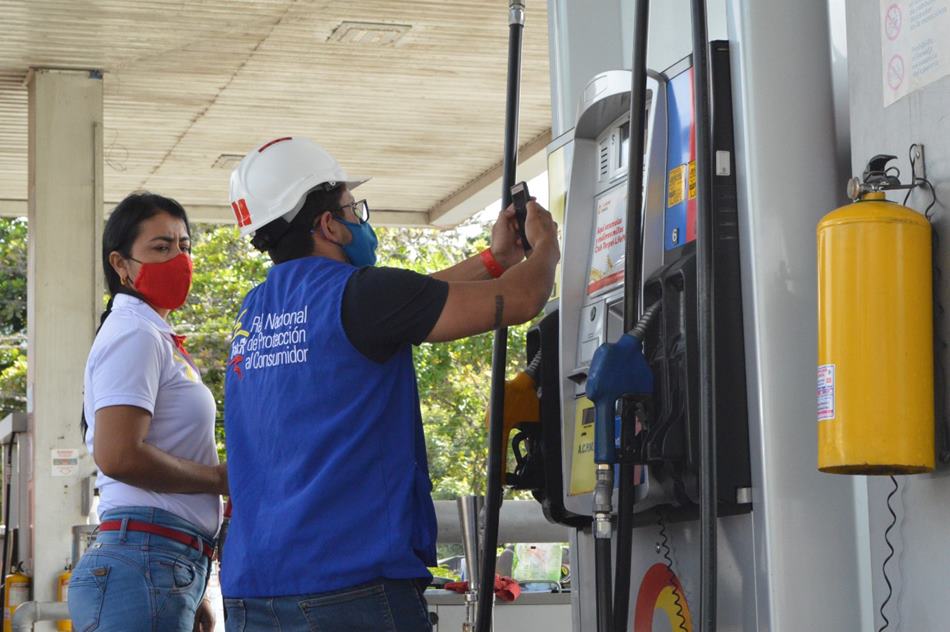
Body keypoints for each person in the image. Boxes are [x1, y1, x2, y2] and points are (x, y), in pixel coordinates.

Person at [221, 137, 559, 631]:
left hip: (254, 591)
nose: (361, 221)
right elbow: (524, 298)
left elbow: (408, 301)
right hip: (350, 589)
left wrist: (495, 260)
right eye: (351, 209)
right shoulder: (361, 296)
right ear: (328, 225)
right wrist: (546, 243)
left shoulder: (255, 311)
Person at [68, 193, 228, 632]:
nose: (179, 258)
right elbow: (120, 455)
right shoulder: (134, 332)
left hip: (160, 562)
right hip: (146, 559)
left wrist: (190, 584)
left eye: (184, 246)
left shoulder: (152, 334)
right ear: (121, 264)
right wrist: (218, 479)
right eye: (161, 247)